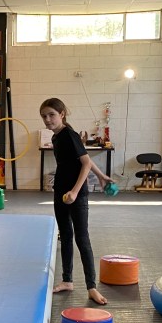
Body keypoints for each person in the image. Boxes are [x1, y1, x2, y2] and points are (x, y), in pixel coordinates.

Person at [41, 97, 109, 306]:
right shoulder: (56, 136)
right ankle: (67, 280)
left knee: (82, 238)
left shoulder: (69, 135)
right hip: (61, 192)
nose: (47, 119)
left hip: (75, 194)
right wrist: (101, 176)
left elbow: (85, 163)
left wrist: (74, 191)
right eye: (44, 116)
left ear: (62, 114)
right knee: (66, 236)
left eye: (52, 115)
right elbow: (85, 157)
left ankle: (91, 287)